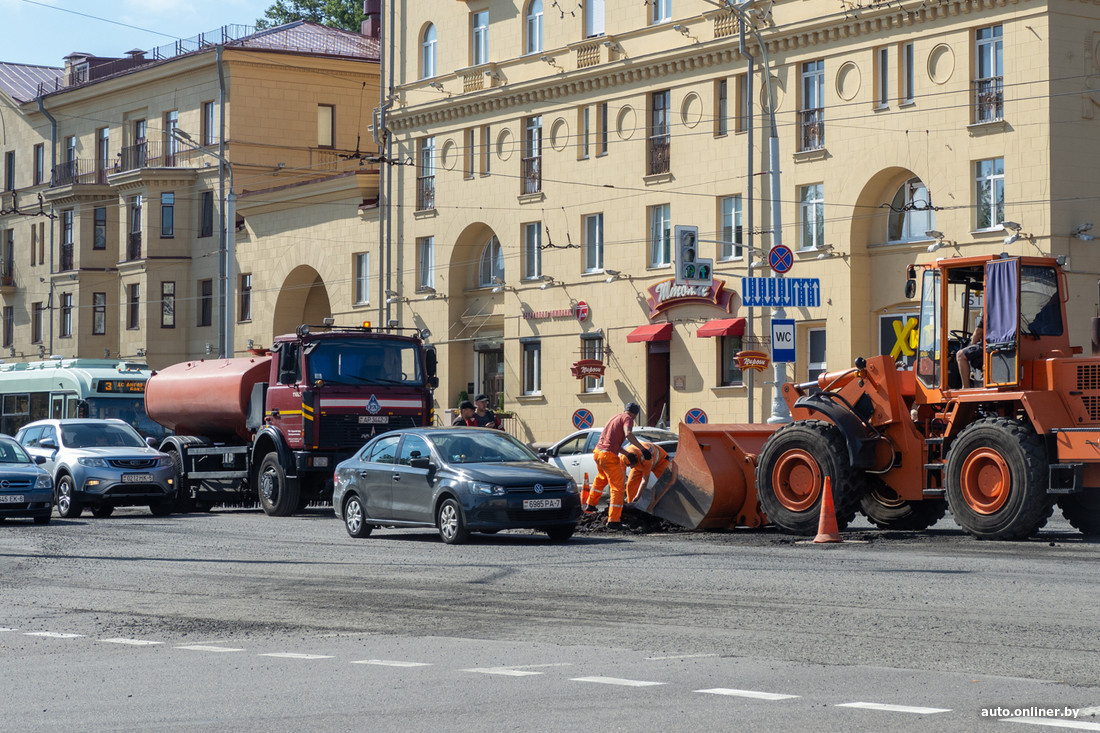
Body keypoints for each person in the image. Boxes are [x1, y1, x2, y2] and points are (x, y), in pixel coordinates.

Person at [584, 402, 648, 530]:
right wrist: (642, 449)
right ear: (635, 414)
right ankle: (613, 520)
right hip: (608, 456)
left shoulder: (614, 418)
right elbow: (629, 434)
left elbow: (611, 443)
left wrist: (627, 453)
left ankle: (590, 504)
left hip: (598, 453)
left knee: (602, 478)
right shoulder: (628, 419)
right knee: (618, 488)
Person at [956, 314, 984, 389]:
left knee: (960, 355)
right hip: (997, 345)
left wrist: (971, 345)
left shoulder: (989, 312)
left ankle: (965, 386)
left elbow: (978, 333)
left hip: (987, 346)